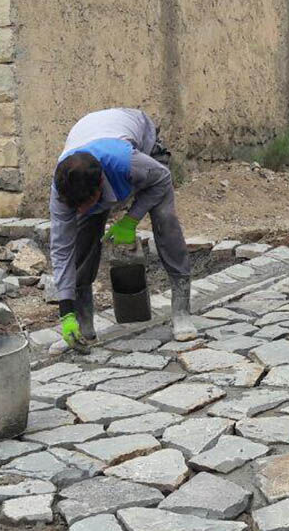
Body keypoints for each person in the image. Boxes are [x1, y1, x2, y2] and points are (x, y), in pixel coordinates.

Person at [50, 108, 196, 350]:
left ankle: (181, 312)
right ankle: (83, 326)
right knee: (81, 240)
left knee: (164, 219)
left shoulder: (128, 163)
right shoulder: (62, 189)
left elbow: (162, 179)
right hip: (94, 134)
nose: (80, 210)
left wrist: (131, 219)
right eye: (75, 207)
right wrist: (65, 311)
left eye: (86, 204)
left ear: (99, 187)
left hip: (142, 146)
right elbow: (61, 250)